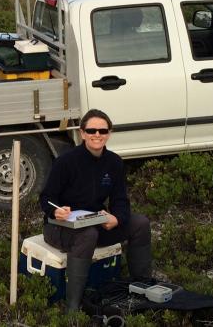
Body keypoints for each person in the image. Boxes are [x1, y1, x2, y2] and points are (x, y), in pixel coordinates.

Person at [39, 109, 153, 313]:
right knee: (87, 234)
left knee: (141, 224)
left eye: (102, 131)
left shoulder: (114, 162)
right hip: (60, 227)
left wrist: (117, 218)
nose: (97, 135)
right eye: (91, 130)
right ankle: (72, 308)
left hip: (95, 222)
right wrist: (56, 212)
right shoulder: (65, 162)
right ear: (82, 133)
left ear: (109, 133)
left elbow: (120, 199)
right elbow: (46, 197)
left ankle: (142, 288)